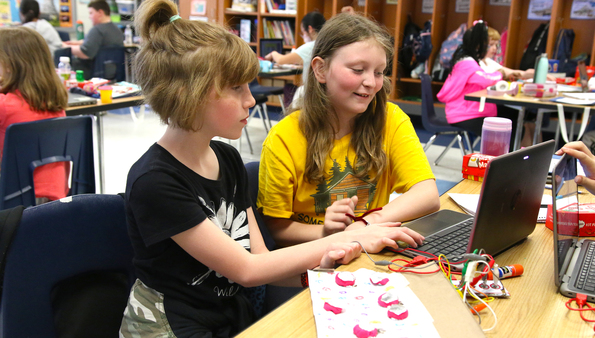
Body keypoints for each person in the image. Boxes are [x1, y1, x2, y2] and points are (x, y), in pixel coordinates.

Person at [119, 1, 424, 336]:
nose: (251, 100)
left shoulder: (227, 159)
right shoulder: (156, 181)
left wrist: (322, 272)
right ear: (188, 94)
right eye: (237, 88)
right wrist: (356, 234)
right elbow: (247, 270)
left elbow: (261, 259)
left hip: (228, 314)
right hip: (170, 326)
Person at [257, 13, 440, 248]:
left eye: (378, 72)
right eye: (357, 69)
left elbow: (427, 194)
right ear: (321, 70)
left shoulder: (390, 119)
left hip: (368, 251)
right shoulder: (284, 139)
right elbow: (277, 229)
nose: (372, 83)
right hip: (312, 261)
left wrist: (365, 224)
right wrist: (328, 233)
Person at [0, 27, 69, 204]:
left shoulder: (5, 105)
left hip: (13, 203)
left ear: (8, 66)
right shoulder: (56, 103)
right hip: (53, 200)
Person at [437, 21, 523, 146]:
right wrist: (500, 74)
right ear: (479, 45)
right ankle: (501, 161)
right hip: (464, 114)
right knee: (505, 130)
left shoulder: (473, 60)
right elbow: (485, 79)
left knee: (514, 124)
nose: (494, 48)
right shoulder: (466, 62)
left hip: (473, 112)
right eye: (490, 45)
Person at [264, 11, 325, 106]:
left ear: (310, 29)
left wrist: (273, 53)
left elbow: (281, 60)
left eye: (303, 32)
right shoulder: (326, 44)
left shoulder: (310, 46)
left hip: (311, 93)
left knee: (289, 88)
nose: (303, 36)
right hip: (325, 92)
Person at [63, 0, 123, 79]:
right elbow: (96, 43)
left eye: (91, 13)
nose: (89, 16)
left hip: (94, 73)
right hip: (112, 72)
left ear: (100, 12)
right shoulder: (116, 30)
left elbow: (85, 53)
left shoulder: (97, 30)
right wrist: (75, 43)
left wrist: (65, 46)